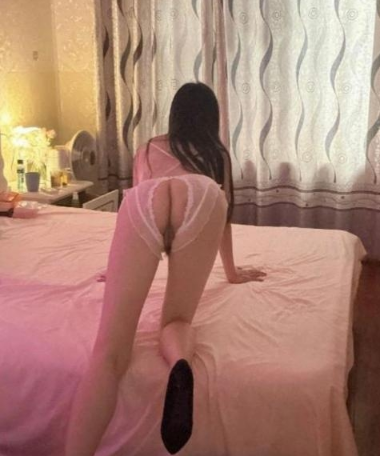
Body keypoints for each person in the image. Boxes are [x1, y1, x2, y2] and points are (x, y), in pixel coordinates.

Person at [65, 83, 266, 456]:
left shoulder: (146, 149)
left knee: (109, 352)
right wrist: (232, 272)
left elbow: (136, 216)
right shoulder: (217, 154)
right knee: (177, 320)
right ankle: (179, 364)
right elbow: (224, 219)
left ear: (175, 115)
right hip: (201, 195)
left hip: (148, 197)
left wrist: (117, 269)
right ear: (210, 118)